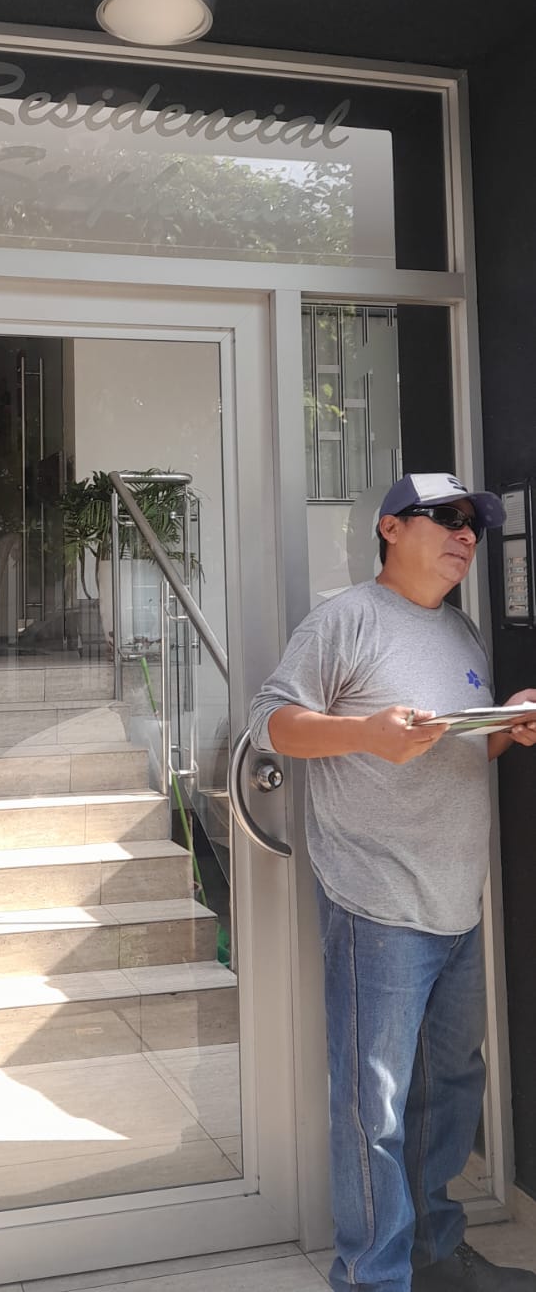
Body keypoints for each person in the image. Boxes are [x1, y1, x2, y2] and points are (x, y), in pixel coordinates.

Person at [249, 472, 536, 1292]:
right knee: (373, 1106)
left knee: (448, 1090)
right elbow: (270, 723)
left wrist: (506, 723)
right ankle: (371, 1277)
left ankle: (432, 1255)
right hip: (374, 901)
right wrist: (363, 734)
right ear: (389, 528)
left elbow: (458, 746)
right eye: (445, 517)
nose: (465, 534)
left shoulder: (460, 632)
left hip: (456, 900)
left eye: (472, 523)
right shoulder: (343, 620)